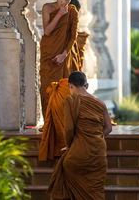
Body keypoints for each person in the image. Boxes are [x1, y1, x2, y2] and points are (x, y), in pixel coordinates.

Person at [47, 71, 112, 200]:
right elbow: (108, 128)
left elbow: (69, 129)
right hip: (99, 154)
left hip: (78, 154)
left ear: (70, 86)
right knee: (96, 190)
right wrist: (95, 136)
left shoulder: (70, 100)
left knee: (64, 172)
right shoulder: (100, 103)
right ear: (86, 86)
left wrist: (70, 145)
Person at [40, 0, 79, 120]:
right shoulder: (47, 8)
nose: (64, 2)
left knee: (63, 90)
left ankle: (61, 122)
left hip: (62, 55)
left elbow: (73, 36)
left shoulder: (72, 11)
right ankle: (48, 122)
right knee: (47, 88)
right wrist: (60, 15)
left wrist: (64, 54)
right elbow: (47, 30)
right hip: (48, 52)